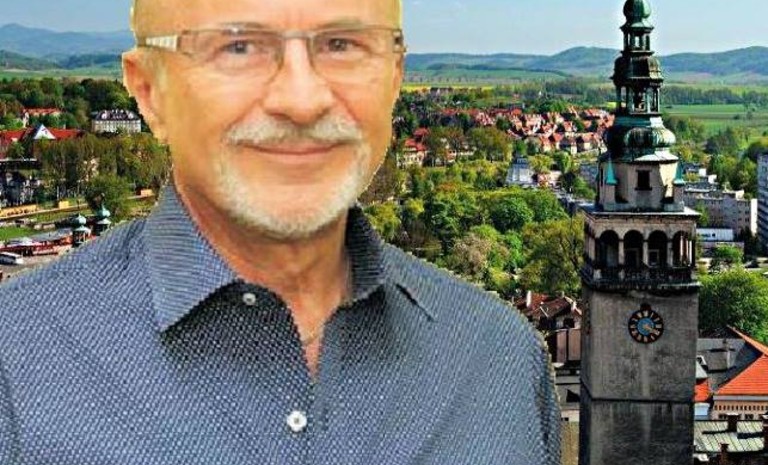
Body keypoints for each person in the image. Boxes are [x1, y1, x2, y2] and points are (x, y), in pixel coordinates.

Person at [0, 0, 560, 463]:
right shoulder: (16, 364)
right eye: (238, 47)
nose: (301, 100)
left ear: (395, 78)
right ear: (150, 92)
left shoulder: (500, 360)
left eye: (342, 44)